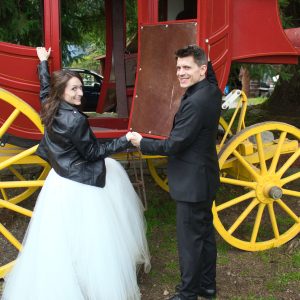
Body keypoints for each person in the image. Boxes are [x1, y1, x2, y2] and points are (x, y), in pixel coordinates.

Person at [2, 47, 150, 300]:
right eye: (74, 89)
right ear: (63, 93)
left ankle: (67, 282)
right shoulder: (76, 120)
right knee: (91, 239)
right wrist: (126, 139)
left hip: (58, 179)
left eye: (81, 87)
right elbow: (93, 153)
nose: (80, 93)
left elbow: (45, 89)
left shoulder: (50, 105)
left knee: (61, 239)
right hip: (81, 182)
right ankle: (91, 285)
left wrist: (43, 64)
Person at [129, 45, 222, 300]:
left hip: (192, 184)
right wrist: (207, 60)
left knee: (190, 242)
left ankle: (188, 293)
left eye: (187, 68)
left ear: (201, 70)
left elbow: (173, 145)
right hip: (205, 177)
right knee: (204, 234)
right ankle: (206, 286)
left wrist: (141, 143)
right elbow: (211, 75)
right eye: (179, 67)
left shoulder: (196, 103)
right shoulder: (212, 90)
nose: (180, 73)